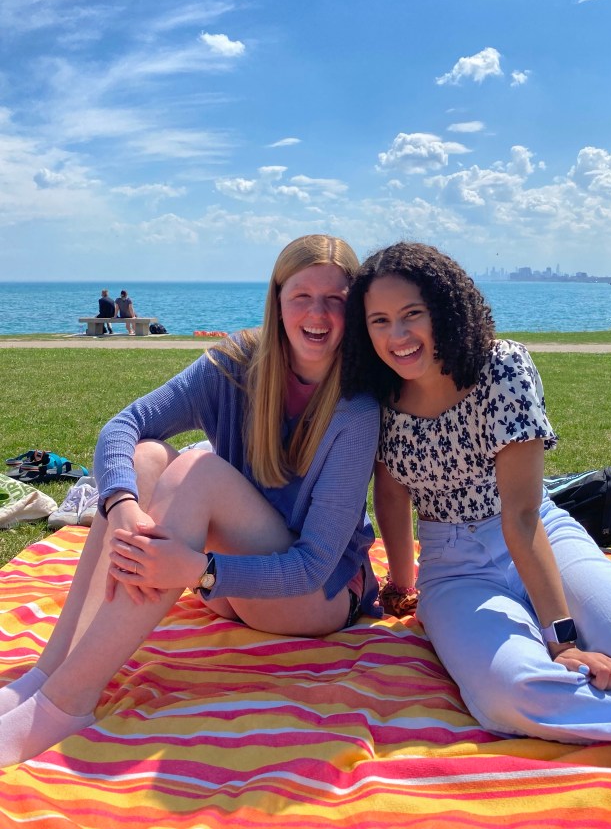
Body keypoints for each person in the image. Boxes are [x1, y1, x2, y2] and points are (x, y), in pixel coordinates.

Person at [341, 242, 611, 763]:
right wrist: (403, 584)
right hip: (453, 568)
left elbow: (522, 516)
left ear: (444, 310)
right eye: (380, 321)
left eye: (412, 314)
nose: (398, 336)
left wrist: (562, 640)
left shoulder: (501, 368)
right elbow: (391, 493)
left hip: (538, 535)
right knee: (513, 695)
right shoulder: (378, 391)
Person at [0, 234, 380, 767]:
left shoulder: (356, 408)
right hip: (227, 586)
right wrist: (122, 506)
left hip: (314, 596)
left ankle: (67, 702)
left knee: (197, 471)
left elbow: (313, 566)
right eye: (302, 296)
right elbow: (124, 425)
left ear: (352, 309)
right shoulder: (237, 363)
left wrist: (201, 571)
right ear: (276, 300)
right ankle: (48, 672)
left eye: (335, 299)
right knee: (147, 457)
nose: (317, 314)